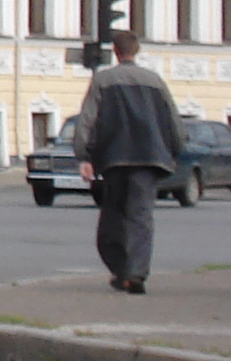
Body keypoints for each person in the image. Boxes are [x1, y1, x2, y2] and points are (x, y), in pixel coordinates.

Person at [75, 32, 179, 294]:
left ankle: (122, 269)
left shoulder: (103, 80)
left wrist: (84, 156)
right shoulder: (155, 82)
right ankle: (135, 274)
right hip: (149, 159)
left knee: (113, 216)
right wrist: (173, 152)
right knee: (140, 217)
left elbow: (87, 119)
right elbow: (174, 122)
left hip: (114, 159)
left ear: (115, 50)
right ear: (137, 50)